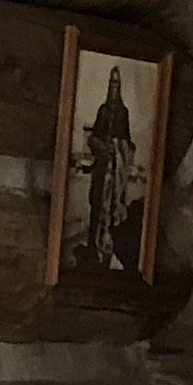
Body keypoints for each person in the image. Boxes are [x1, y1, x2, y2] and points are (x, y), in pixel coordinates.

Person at [73, 63, 143, 269]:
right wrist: (102, 147)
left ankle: (107, 249)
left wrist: (120, 148)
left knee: (112, 211)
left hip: (116, 176)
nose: (113, 87)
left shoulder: (123, 113)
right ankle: (93, 248)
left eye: (116, 83)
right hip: (102, 169)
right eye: (111, 83)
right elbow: (93, 137)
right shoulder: (103, 111)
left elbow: (127, 143)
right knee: (97, 207)